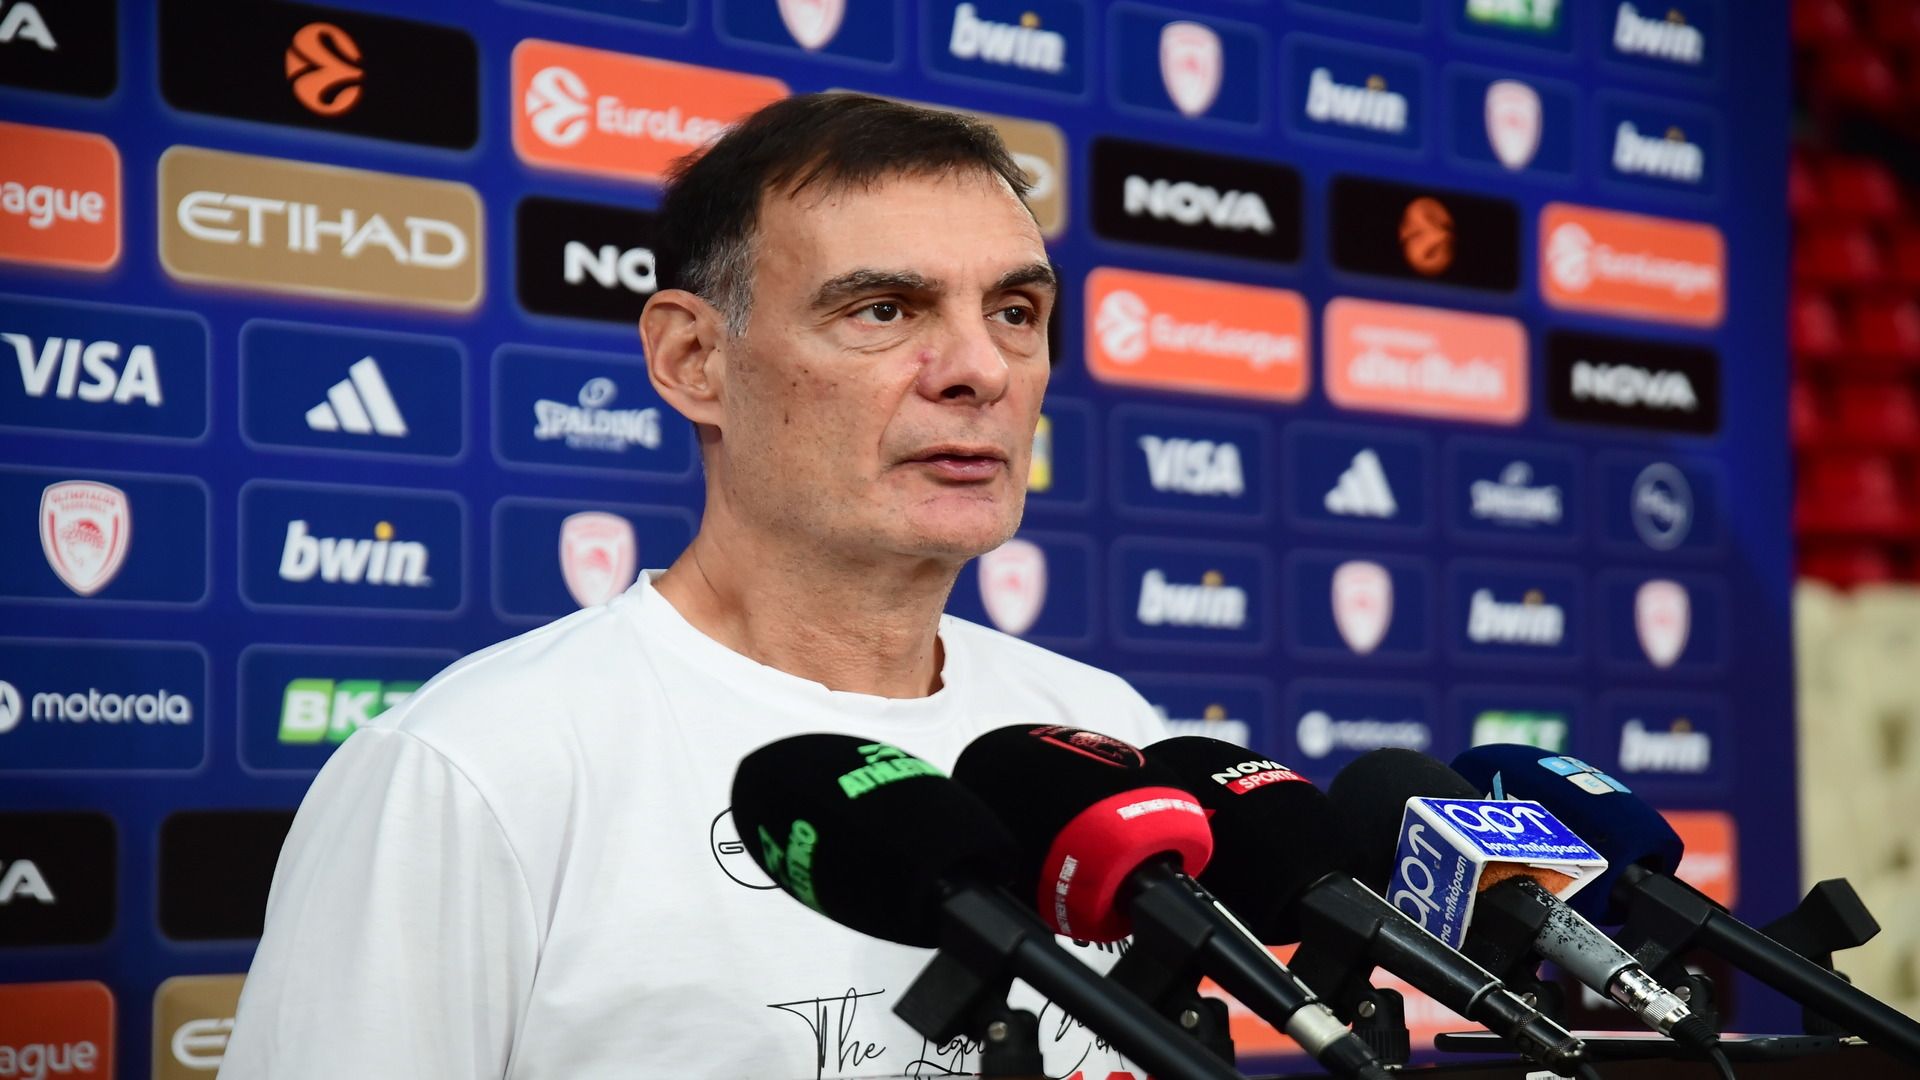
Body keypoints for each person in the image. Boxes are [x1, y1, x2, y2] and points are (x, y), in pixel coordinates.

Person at [221, 93, 1168, 1078]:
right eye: (884, 310)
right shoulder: (474, 771)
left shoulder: (1101, 734)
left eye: (1015, 313)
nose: (981, 370)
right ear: (693, 360)